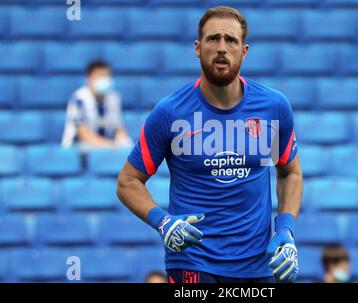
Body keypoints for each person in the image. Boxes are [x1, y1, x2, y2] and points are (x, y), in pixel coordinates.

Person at [116, 6, 302, 283]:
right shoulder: (169, 112)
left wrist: (285, 230)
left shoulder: (273, 107)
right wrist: (163, 221)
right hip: (193, 263)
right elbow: (128, 182)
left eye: (231, 40)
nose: (222, 48)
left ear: (244, 51)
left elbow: (290, 172)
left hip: (259, 265)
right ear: (197, 47)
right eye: (213, 39)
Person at [61, 60, 132, 150]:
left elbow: (119, 128)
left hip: (106, 148)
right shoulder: (79, 99)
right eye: (100, 76)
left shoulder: (114, 98)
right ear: (89, 79)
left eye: (107, 76)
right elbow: (83, 134)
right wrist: (110, 145)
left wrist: (123, 142)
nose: (105, 80)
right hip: (77, 150)